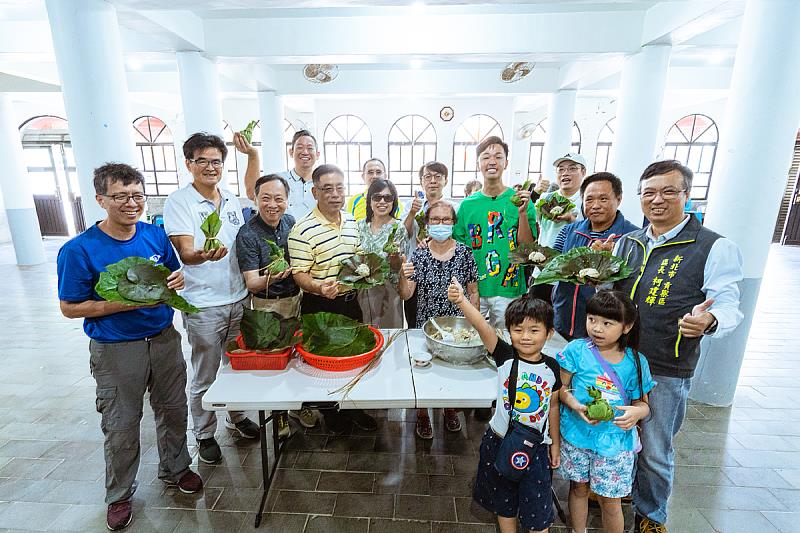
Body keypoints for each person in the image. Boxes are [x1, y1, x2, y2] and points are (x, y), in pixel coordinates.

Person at [57, 163, 202, 531]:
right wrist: (123, 304)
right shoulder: (79, 250)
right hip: (116, 348)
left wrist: (178, 279)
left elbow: (173, 276)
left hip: (164, 339)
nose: (131, 203)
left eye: (137, 195)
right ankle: (119, 494)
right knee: (121, 423)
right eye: (120, 196)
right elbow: (70, 307)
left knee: (172, 409)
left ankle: (176, 468)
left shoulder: (154, 235)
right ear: (101, 199)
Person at [613, 160, 743, 533]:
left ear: (687, 195)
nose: (658, 200)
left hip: (665, 368)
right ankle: (617, 490)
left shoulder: (713, 247)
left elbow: (729, 304)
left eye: (669, 191)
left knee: (655, 450)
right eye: (650, 192)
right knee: (617, 431)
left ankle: (652, 516)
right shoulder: (629, 243)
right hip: (620, 360)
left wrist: (710, 321)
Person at [164, 132, 259, 466]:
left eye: (216, 161)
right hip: (203, 304)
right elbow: (186, 252)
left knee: (236, 365)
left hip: (238, 299)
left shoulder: (231, 200)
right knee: (205, 372)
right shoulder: (179, 202)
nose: (209, 167)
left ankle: (237, 416)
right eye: (201, 160)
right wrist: (202, 255)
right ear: (188, 164)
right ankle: (204, 433)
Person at [448, 282, 561, 533]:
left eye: (534, 330)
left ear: (549, 333)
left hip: (537, 447)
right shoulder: (505, 356)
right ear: (508, 331)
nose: (526, 336)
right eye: (518, 329)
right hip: (499, 440)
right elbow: (481, 325)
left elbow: (553, 406)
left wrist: (555, 442)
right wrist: (461, 300)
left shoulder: (552, 368)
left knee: (538, 507)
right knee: (504, 502)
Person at [288, 163, 378, 434]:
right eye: (327, 189)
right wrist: (317, 286)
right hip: (320, 304)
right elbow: (299, 274)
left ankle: (353, 407)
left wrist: (370, 270)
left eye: (340, 188)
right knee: (324, 363)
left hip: (351, 302)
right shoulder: (302, 229)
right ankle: (331, 413)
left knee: (355, 356)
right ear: (315, 192)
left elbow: (360, 257)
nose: (335, 194)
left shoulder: (352, 221)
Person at [557, 290, 655, 533]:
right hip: (577, 436)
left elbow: (644, 405)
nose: (597, 329)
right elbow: (561, 389)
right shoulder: (576, 350)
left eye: (607, 323)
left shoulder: (636, 361)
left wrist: (637, 413)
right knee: (578, 488)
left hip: (615, 443)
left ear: (627, 326)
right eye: (592, 319)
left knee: (610, 500)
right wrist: (574, 404)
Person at [235, 173, 316, 436]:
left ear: (287, 201)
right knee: (273, 362)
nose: (273, 205)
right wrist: (275, 275)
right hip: (267, 305)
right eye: (266, 198)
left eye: (279, 199)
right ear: (255, 198)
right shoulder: (247, 234)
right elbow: (252, 283)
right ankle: (278, 414)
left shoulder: (290, 222)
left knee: (296, 357)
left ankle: (296, 405)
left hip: (296, 300)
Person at [397, 201, 479, 439]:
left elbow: (473, 290)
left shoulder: (464, 252)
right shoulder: (419, 253)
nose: (440, 224)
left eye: (446, 220)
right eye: (435, 220)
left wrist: (473, 324)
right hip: (427, 324)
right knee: (425, 370)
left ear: (454, 223)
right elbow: (406, 294)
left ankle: (450, 408)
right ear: (427, 223)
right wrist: (403, 276)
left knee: (452, 369)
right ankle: (422, 413)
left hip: (457, 326)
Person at [453, 136, 537, 331]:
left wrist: (522, 213)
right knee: (470, 336)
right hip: (474, 287)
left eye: (498, 156)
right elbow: (459, 249)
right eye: (486, 157)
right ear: (478, 164)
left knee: (504, 339)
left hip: (508, 285)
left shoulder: (519, 201)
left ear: (506, 163)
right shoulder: (467, 205)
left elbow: (527, 248)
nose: (492, 161)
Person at [550, 172, 639, 340]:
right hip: (563, 318)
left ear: (618, 199)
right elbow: (551, 265)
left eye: (603, 199)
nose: (595, 205)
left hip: (603, 330)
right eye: (589, 200)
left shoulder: (633, 237)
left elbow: (632, 283)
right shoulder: (569, 231)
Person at [529, 153, 587, 305]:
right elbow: (529, 219)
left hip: (569, 275)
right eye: (561, 169)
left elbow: (591, 231)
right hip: (542, 271)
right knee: (536, 318)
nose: (565, 173)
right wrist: (534, 194)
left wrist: (572, 219)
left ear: (583, 172)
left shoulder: (586, 201)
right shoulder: (545, 199)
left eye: (572, 168)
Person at [402, 161, 455, 326]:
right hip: (416, 273)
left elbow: (457, 239)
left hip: (445, 272)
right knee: (414, 318)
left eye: (437, 177)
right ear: (421, 181)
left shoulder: (455, 208)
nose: (433, 180)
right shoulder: (411, 206)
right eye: (428, 176)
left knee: (444, 322)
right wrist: (412, 213)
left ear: (445, 180)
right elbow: (404, 234)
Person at [355, 179, 407, 328]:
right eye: (377, 197)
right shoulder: (359, 226)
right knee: (365, 334)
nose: (382, 202)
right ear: (370, 201)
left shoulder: (398, 228)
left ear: (393, 201)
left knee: (388, 336)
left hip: (388, 291)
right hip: (362, 290)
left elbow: (399, 268)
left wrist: (394, 257)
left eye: (388, 198)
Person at [244, 129, 320, 220]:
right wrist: (253, 155)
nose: (305, 152)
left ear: (317, 154)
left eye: (310, 148)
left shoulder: (323, 184)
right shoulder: (277, 181)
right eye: (300, 147)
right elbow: (252, 193)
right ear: (291, 152)